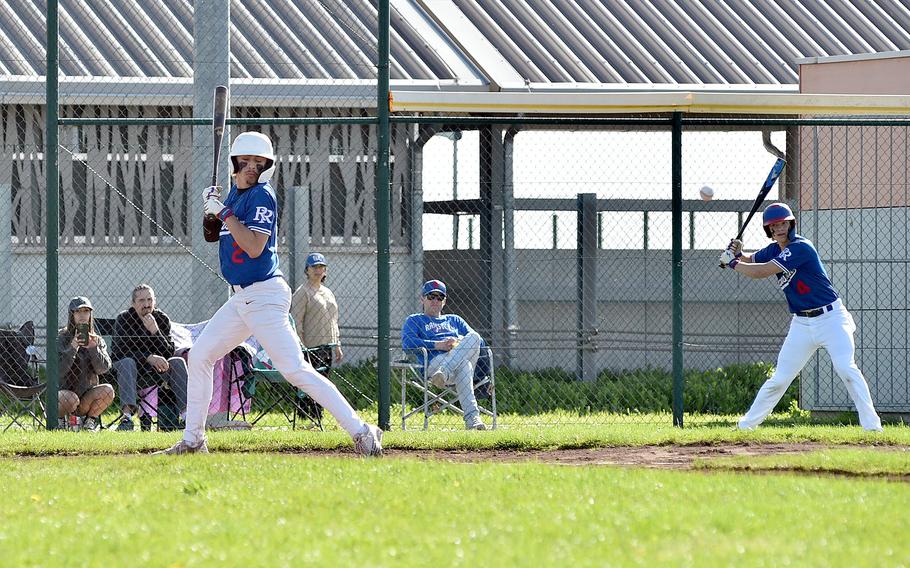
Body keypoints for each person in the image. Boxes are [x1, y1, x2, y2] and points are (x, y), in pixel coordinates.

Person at [155, 131, 382, 455]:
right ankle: (193, 440)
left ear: (266, 168)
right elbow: (211, 236)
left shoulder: (262, 196)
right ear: (234, 163)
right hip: (241, 299)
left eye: (257, 163)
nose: (250, 167)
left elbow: (253, 246)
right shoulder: (232, 196)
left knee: (294, 370)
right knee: (202, 354)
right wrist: (210, 209)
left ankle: (362, 431)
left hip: (264, 296)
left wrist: (224, 213)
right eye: (244, 161)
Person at [719, 202, 883, 432]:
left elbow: (761, 272)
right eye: (774, 225)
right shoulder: (774, 249)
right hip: (802, 324)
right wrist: (737, 253)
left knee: (846, 368)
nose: (779, 228)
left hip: (831, 318)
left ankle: (873, 428)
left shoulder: (801, 247)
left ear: (791, 224)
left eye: (783, 223)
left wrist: (732, 263)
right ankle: (745, 427)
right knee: (780, 379)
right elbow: (752, 260)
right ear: (769, 230)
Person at [401, 279, 487, 430]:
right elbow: (408, 344)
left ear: (444, 301)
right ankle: (473, 420)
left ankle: (445, 371)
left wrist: (457, 343)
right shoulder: (414, 320)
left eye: (439, 297)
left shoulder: (454, 320)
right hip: (433, 364)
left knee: (474, 337)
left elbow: (477, 341)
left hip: (446, 370)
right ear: (422, 298)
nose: (435, 300)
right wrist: (438, 345)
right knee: (464, 365)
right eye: (431, 296)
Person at [111, 284, 188, 431]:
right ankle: (126, 418)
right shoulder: (124, 319)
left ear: (155, 301)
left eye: (149, 300)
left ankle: (186, 416)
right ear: (133, 304)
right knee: (127, 362)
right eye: (141, 301)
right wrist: (147, 357)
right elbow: (118, 352)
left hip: (156, 370)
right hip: (130, 369)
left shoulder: (161, 318)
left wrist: (156, 331)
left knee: (177, 361)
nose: (146, 304)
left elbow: (169, 352)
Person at [58, 297, 114, 432]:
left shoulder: (97, 339)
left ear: (90, 314)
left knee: (108, 390)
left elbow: (103, 369)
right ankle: (59, 421)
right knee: (71, 399)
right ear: (72, 315)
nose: (83, 315)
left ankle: (89, 422)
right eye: (78, 311)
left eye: (86, 311)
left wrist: (94, 348)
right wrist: (73, 347)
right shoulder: (61, 338)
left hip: (87, 396)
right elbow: (58, 371)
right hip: (64, 395)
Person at [290, 252, 344, 364]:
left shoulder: (328, 292)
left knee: (324, 379)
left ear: (325, 271)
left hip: (327, 347)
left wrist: (337, 344)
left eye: (321, 267)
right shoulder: (302, 292)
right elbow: (296, 322)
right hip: (310, 348)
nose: (318, 270)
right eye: (314, 267)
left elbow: (334, 321)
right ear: (307, 270)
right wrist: (302, 348)